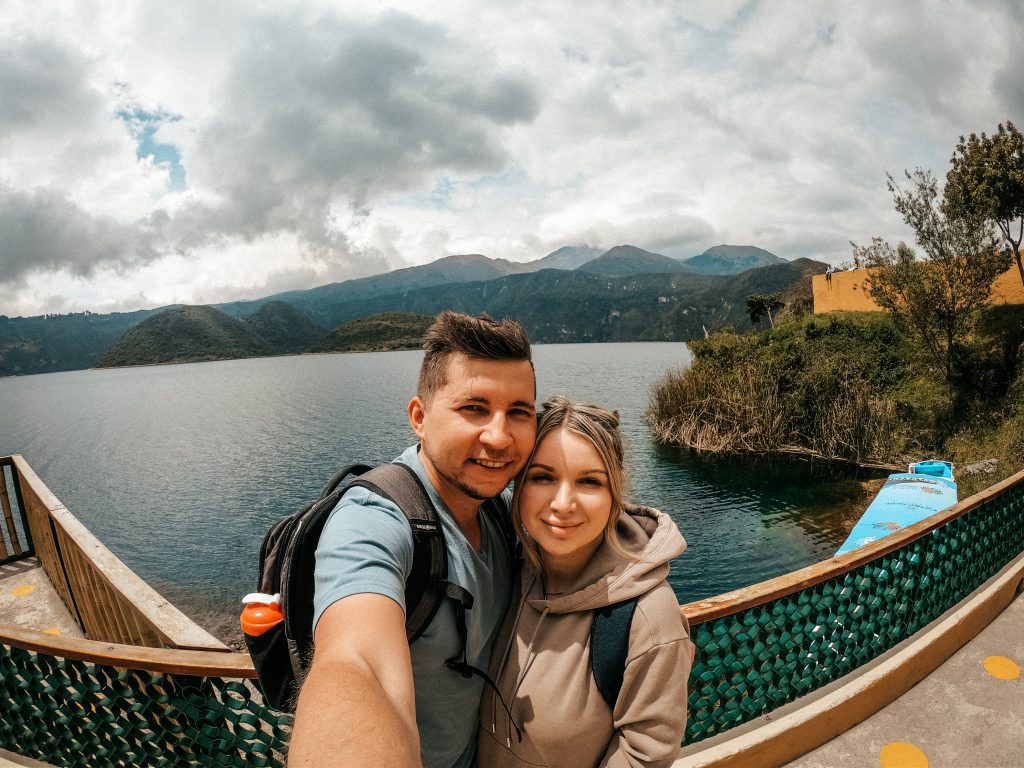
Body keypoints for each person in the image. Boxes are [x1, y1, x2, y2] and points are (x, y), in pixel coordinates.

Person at [288, 311, 537, 768]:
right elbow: (358, 664)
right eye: (473, 408)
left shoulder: (500, 509)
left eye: (518, 412)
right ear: (419, 418)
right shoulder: (373, 521)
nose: (500, 437)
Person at [478, 397, 693, 768]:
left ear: (615, 496)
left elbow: (645, 755)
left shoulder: (647, 618)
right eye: (543, 477)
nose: (563, 503)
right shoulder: (505, 563)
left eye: (589, 482)